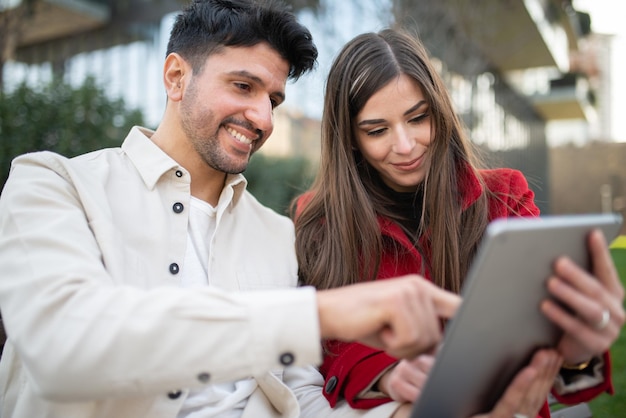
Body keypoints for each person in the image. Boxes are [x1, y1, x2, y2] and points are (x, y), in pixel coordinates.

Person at [0, 3, 464, 417]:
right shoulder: (53, 183)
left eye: (274, 100)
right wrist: (321, 314)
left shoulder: (277, 232)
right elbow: (63, 344)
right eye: (244, 86)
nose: (263, 118)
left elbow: (301, 400)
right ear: (176, 77)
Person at [293, 28, 625, 418]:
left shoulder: (505, 196)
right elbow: (326, 341)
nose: (404, 145)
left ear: (440, 111)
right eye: (377, 130)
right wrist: (387, 374)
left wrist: (579, 355)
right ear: (349, 138)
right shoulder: (318, 219)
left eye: (418, 118)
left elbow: (545, 333)